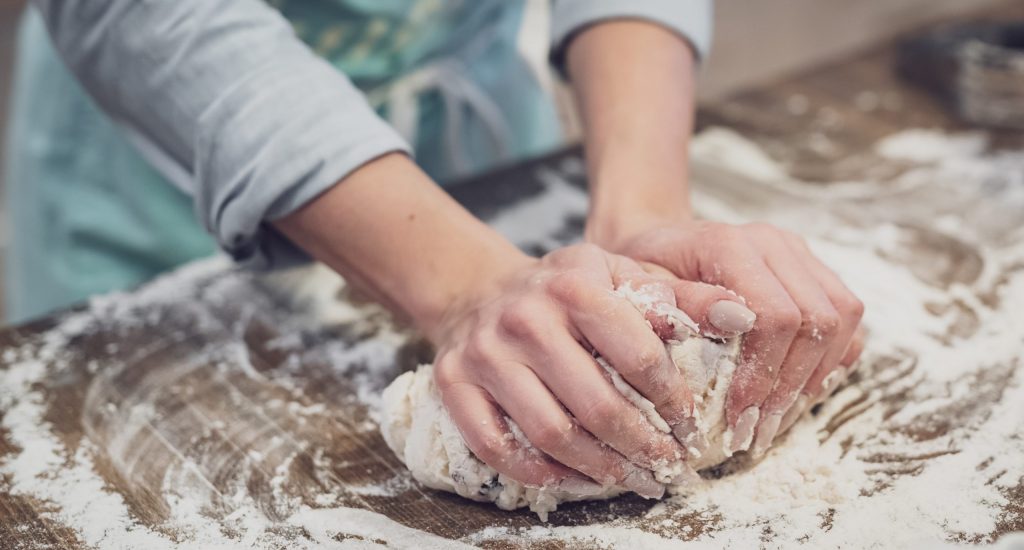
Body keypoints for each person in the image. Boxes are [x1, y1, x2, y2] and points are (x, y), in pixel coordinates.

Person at [6, 1, 864, 495]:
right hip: (171, 153)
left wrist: (640, 210)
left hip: (470, 134)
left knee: (551, 347)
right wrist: (465, 284)